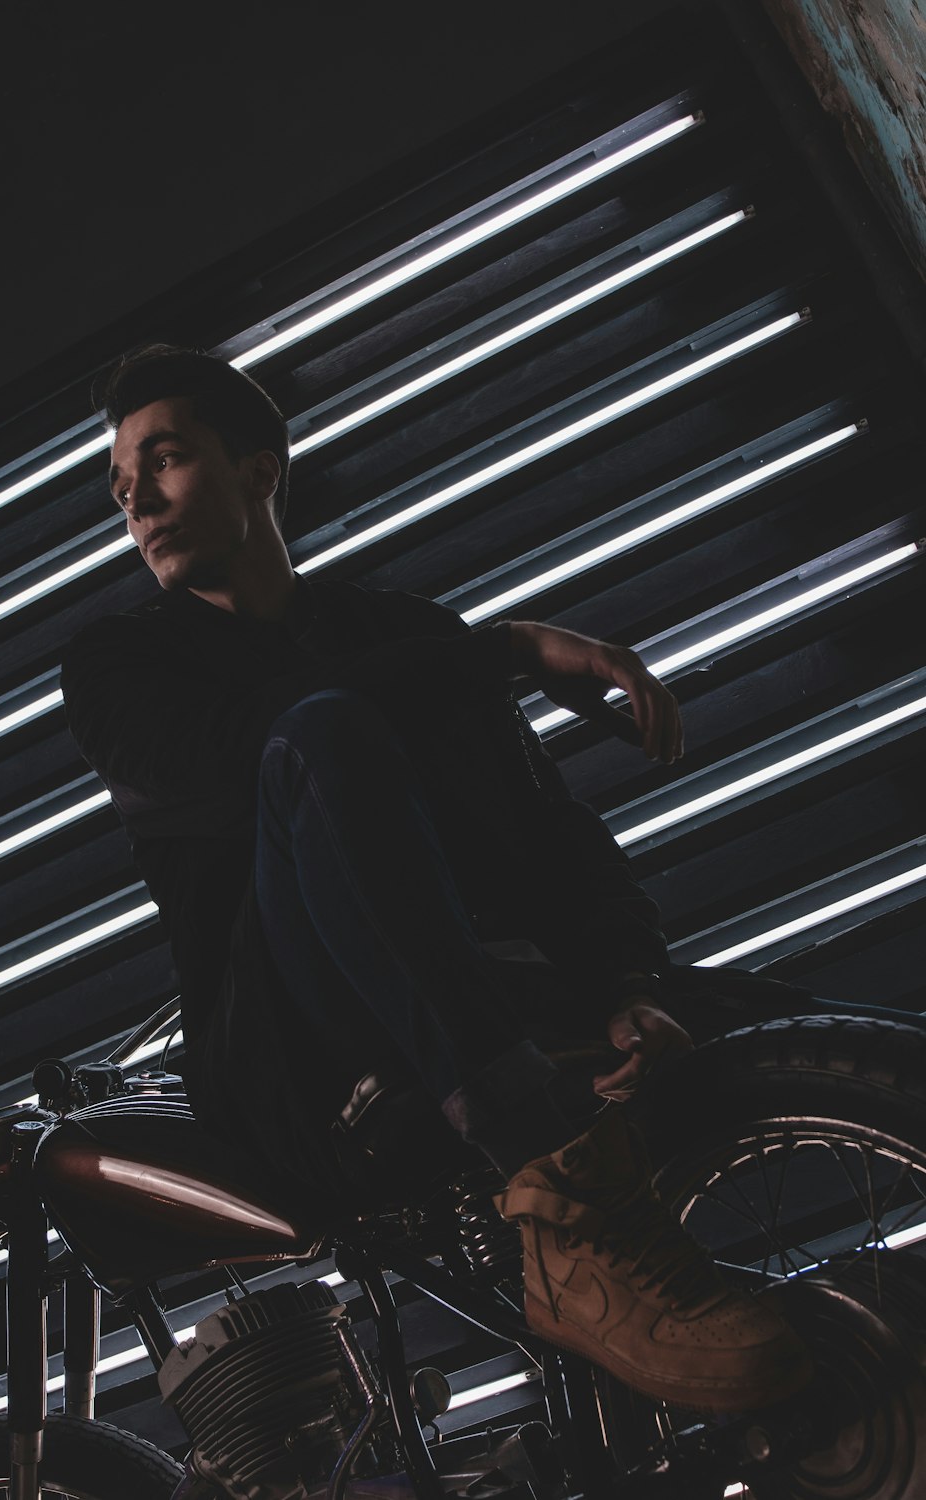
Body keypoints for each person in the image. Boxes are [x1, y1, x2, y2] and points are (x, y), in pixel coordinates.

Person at [60, 343, 812, 1413]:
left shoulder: (404, 633)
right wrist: (500, 649)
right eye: (122, 486)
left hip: (484, 988)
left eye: (166, 461)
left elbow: (551, 836)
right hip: (305, 1060)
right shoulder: (115, 668)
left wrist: (629, 985)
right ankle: (559, 1207)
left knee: (804, 1028)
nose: (137, 501)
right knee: (319, 736)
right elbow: (247, 750)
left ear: (260, 470)